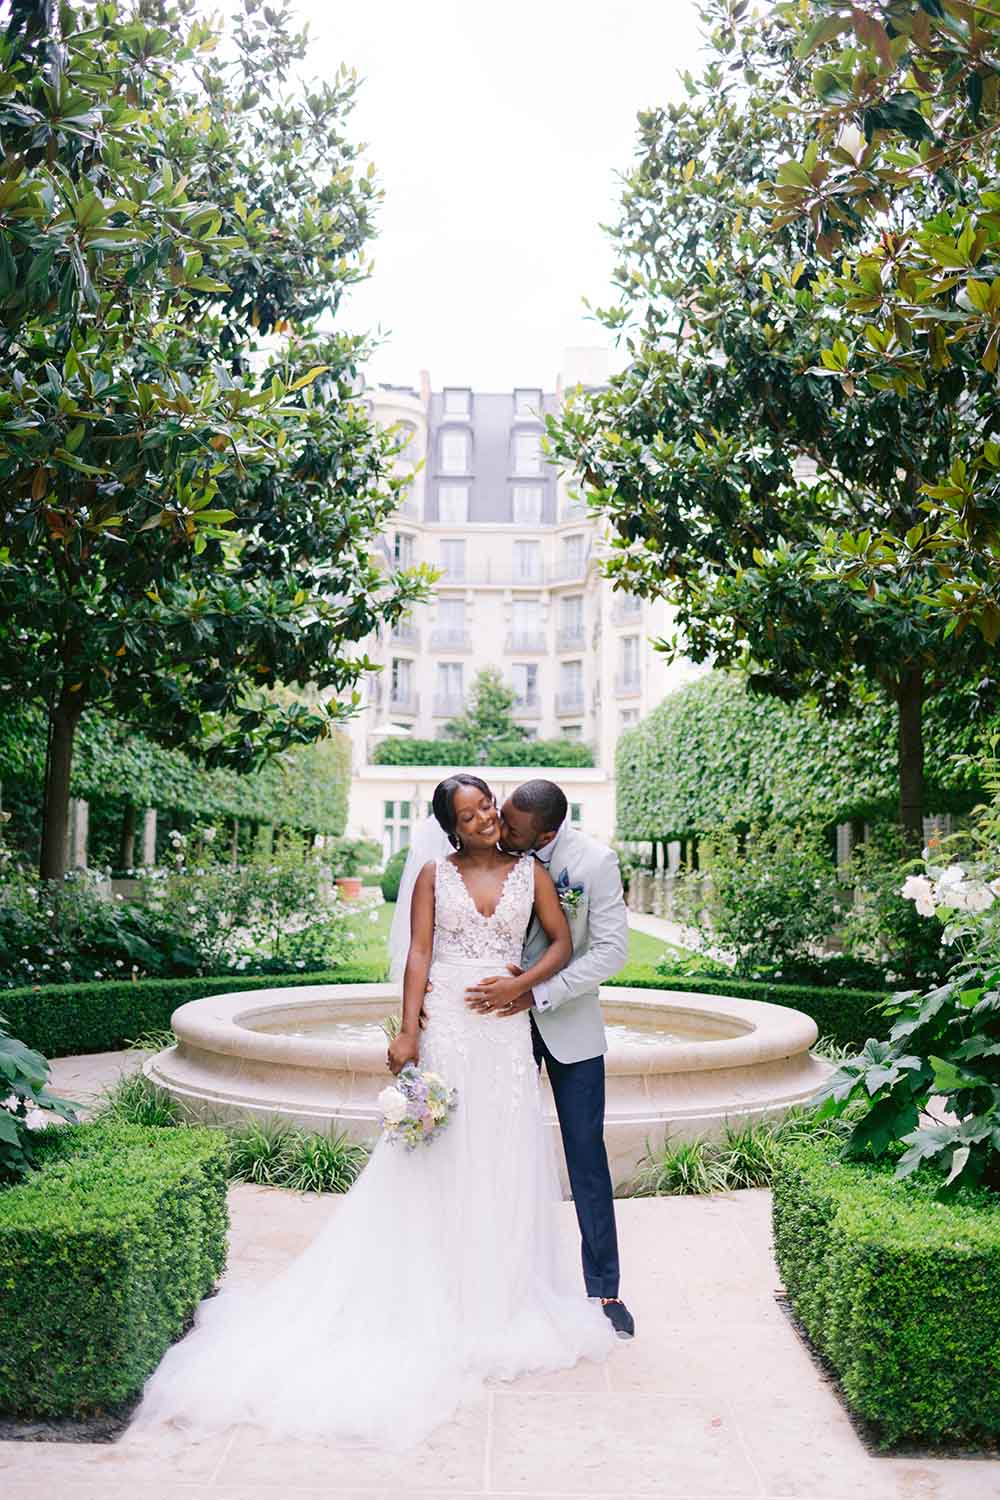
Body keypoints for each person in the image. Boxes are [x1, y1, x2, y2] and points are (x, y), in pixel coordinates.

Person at [131, 774, 614, 1452]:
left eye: (488, 808)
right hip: (446, 1022)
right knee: (435, 1152)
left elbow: (562, 945)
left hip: (504, 1027)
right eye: (471, 813)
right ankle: (430, 1286)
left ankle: (501, 1292)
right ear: (451, 825)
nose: (484, 819)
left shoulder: (530, 872)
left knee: (503, 1150)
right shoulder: (430, 876)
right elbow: (419, 952)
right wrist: (409, 1030)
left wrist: (522, 987)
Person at [461, 779, 634, 1338]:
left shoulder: (594, 863)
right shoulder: (493, 854)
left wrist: (537, 992)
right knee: (491, 1146)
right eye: (501, 817)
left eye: (512, 827)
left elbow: (611, 951)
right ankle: (491, 1279)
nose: (500, 830)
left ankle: (604, 1289)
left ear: (549, 833)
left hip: (568, 1025)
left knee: (586, 1154)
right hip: (495, 1027)